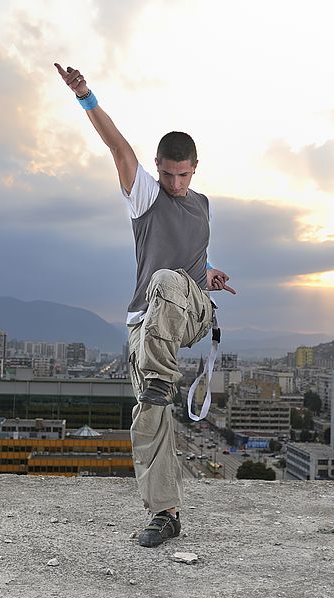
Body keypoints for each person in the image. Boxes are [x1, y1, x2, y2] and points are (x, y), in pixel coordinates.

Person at [54, 63, 236, 547]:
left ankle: (159, 379)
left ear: (195, 169)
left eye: (183, 175)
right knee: (149, 416)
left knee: (166, 279)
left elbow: (189, 258)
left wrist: (208, 273)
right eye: (167, 174)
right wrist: (85, 96)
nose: (175, 184)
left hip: (190, 310)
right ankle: (165, 513)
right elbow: (118, 147)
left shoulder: (203, 205)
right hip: (145, 321)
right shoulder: (145, 198)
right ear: (157, 169)